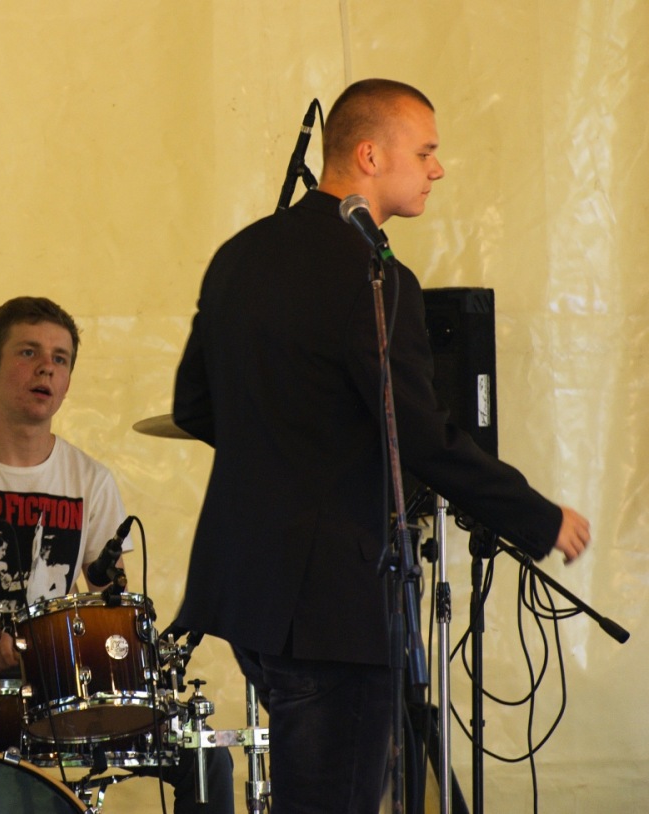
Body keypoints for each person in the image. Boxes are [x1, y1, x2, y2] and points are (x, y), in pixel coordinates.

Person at [172, 79, 591, 814]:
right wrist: (538, 516)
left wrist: (290, 453)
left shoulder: (239, 255)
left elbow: (195, 407)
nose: (437, 169)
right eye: (425, 152)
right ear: (369, 155)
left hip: (246, 592)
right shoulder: (376, 276)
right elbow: (423, 435)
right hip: (331, 603)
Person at [0, 295, 235, 813]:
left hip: (58, 694)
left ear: (68, 382)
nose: (46, 367)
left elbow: (110, 607)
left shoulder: (90, 480)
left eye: (60, 358)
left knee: (203, 757)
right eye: (28, 352)